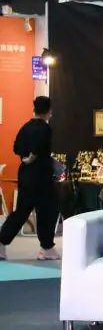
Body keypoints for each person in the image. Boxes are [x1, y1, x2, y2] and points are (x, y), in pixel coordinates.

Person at [0, 96, 61, 261]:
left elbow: (16, 147)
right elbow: (39, 147)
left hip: (25, 174)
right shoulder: (45, 129)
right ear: (48, 111)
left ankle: (1, 240)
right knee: (48, 210)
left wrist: (25, 157)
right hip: (41, 175)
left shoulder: (25, 127)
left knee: (21, 211)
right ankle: (46, 247)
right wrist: (32, 156)